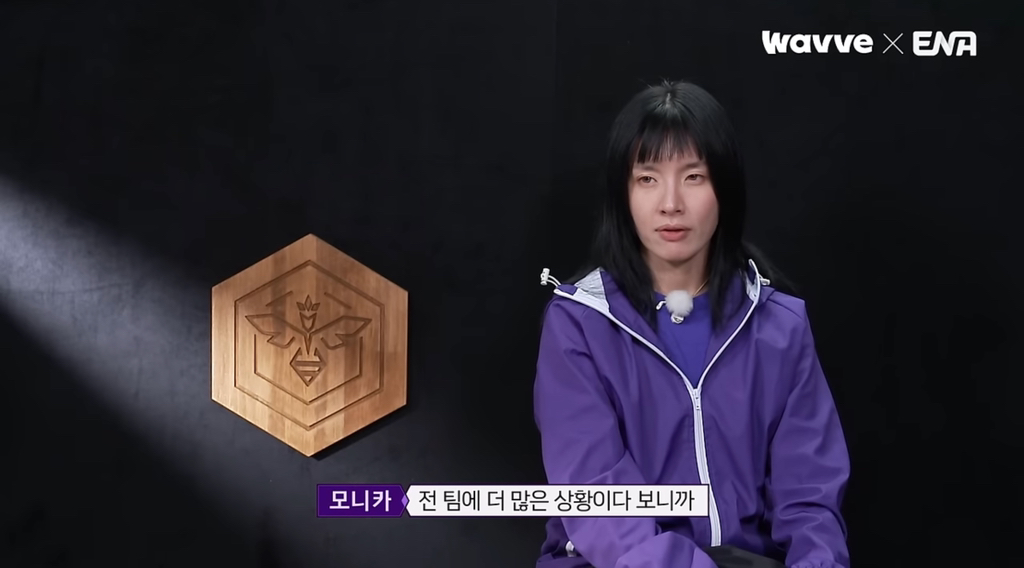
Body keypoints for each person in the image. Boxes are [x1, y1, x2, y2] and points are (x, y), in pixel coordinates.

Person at [533, 80, 850, 568]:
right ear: (623, 194)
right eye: (647, 178)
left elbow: (811, 499)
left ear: (725, 189)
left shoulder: (781, 326)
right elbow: (599, 502)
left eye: (694, 176)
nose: (671, 203)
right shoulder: (579, 325)